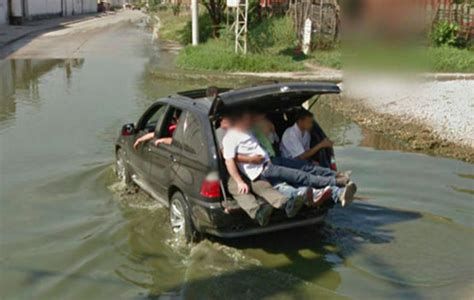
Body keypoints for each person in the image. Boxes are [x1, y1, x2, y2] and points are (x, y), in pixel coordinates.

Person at [222, 112, 357, 209]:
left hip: (272, 161)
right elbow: (228, 158)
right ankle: (338, 183)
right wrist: (241, 178)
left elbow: (263, 129)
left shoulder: (247, 131)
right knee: (301, 177)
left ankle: (336, 180)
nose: (248, 120)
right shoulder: (230, 138)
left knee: (305, 168)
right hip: (264, 170)